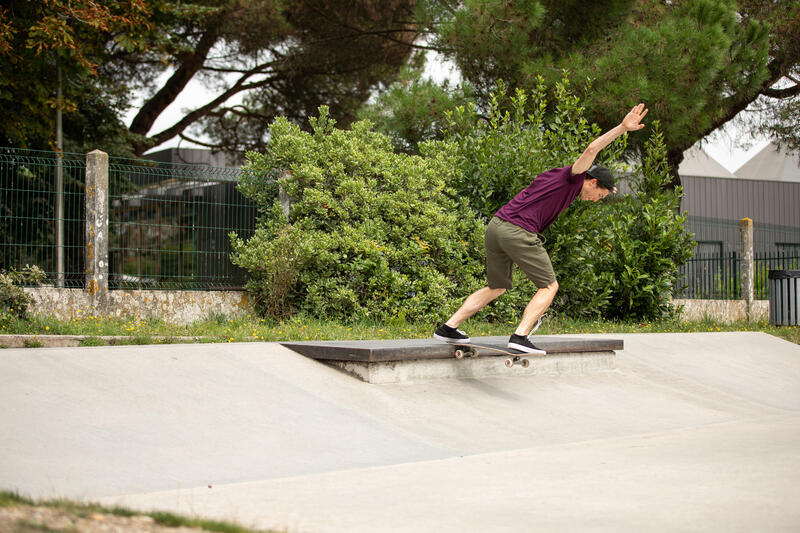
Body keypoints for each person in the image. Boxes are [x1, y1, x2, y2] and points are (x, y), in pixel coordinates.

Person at [434, 103, 649, 354]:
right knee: (549, 286)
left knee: (497, 286)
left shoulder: (555, 177)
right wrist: (622, 128)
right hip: (517, 230)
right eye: (599, 194)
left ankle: (448, 328)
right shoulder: (574, 176)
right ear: (591, 181)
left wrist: (609, 187)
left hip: (496, 227)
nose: (595, 200)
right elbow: (592, 148)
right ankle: (520, 336)